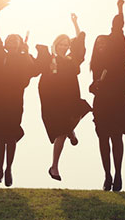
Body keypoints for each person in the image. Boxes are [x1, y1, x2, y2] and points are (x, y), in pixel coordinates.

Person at [0, 10, 41, 187]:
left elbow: (34, 70)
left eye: (15, 40)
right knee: (0, 135)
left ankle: (9, 169)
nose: (11, 42)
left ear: (20, 43)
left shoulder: (24, 57)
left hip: (14, 99)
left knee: (11, 135)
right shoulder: (1, 54)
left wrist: (27, 53)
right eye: (9, 40)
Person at [89, 0, 125, 191]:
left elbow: (117, 30)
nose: (101, 44)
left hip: (118, 102)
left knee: (117, 137)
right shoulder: (97, 67)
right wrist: (95, 85)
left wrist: (119, 8)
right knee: (103, 138)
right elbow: (92, 87)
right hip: (102, 104)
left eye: (103, 42)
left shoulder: (117, 57)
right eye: (97, 43)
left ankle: (118, 174)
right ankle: (107, 175)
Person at [37, 13, 91, 181]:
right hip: (53, 96)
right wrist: (50, 58)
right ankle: (54, 167)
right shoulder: (49, 57)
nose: (64, 47)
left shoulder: (71, 60)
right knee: (60, 132)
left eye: (66, 45)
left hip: (70, 94)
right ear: (56, 44)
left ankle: (70, 130)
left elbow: (80, 46)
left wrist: (75, 23)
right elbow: (38, 65)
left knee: (82, 109)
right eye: (61, 44)